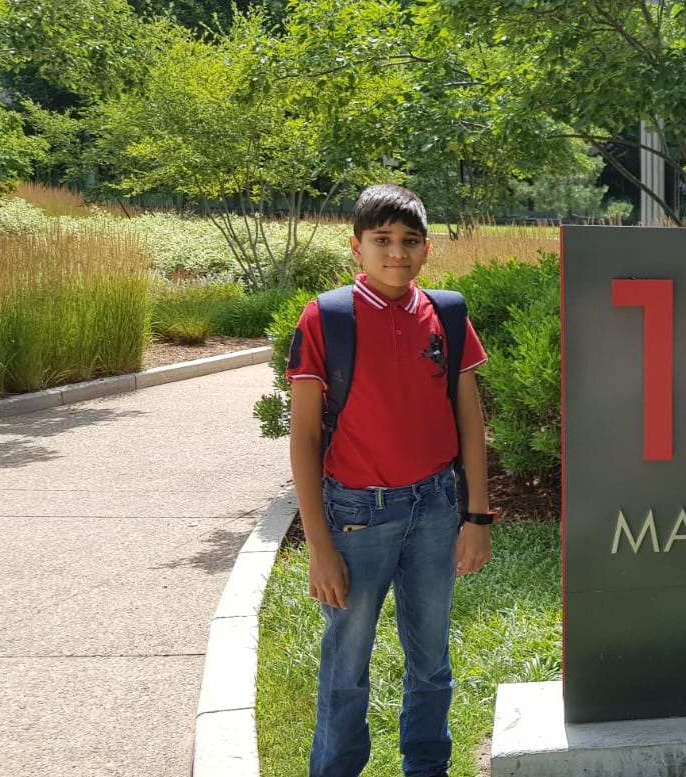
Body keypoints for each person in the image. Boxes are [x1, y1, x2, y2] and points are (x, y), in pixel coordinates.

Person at [286, 183, 494, 777]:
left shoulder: (447, 315)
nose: (396, 252)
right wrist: (320, 548)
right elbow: (304, 439)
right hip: (357, 516)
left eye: (409, 240)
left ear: (427, 248)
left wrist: (476, 516)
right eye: (382, 240)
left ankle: (427, 766)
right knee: (347, 666)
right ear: (357, 247)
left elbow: (470, 422)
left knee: (431, 661)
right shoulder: (327, 318)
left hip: (435, 508)